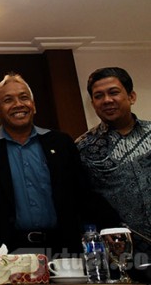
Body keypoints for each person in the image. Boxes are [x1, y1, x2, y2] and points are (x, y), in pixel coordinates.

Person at [0, 73, 91, 256]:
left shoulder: (61, 143)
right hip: (6, 252)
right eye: (8, 100)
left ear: (34, 105)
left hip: (63, 249)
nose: (18, 104)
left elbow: (83, 193)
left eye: (24, 97)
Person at [76, 67, 151, 274]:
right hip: (125, 255)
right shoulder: (82, 148)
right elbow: (83, 202)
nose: (107, 100)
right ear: (93, 104)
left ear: (131, 96)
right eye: (99, 96)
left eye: (114, 92)